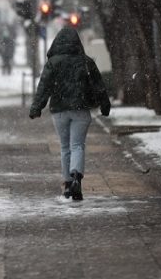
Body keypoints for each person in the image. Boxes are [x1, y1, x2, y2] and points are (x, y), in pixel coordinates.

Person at [28, 26, 110, 201]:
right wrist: (105, 105)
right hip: (81, 110)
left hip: (59, 111)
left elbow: (44, 88)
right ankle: (76, 179)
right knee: (77, 145)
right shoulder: (86, 62)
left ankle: (67, 184)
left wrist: (37, 107)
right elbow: (99, 86)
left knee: (65, 147)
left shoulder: (53, 62)